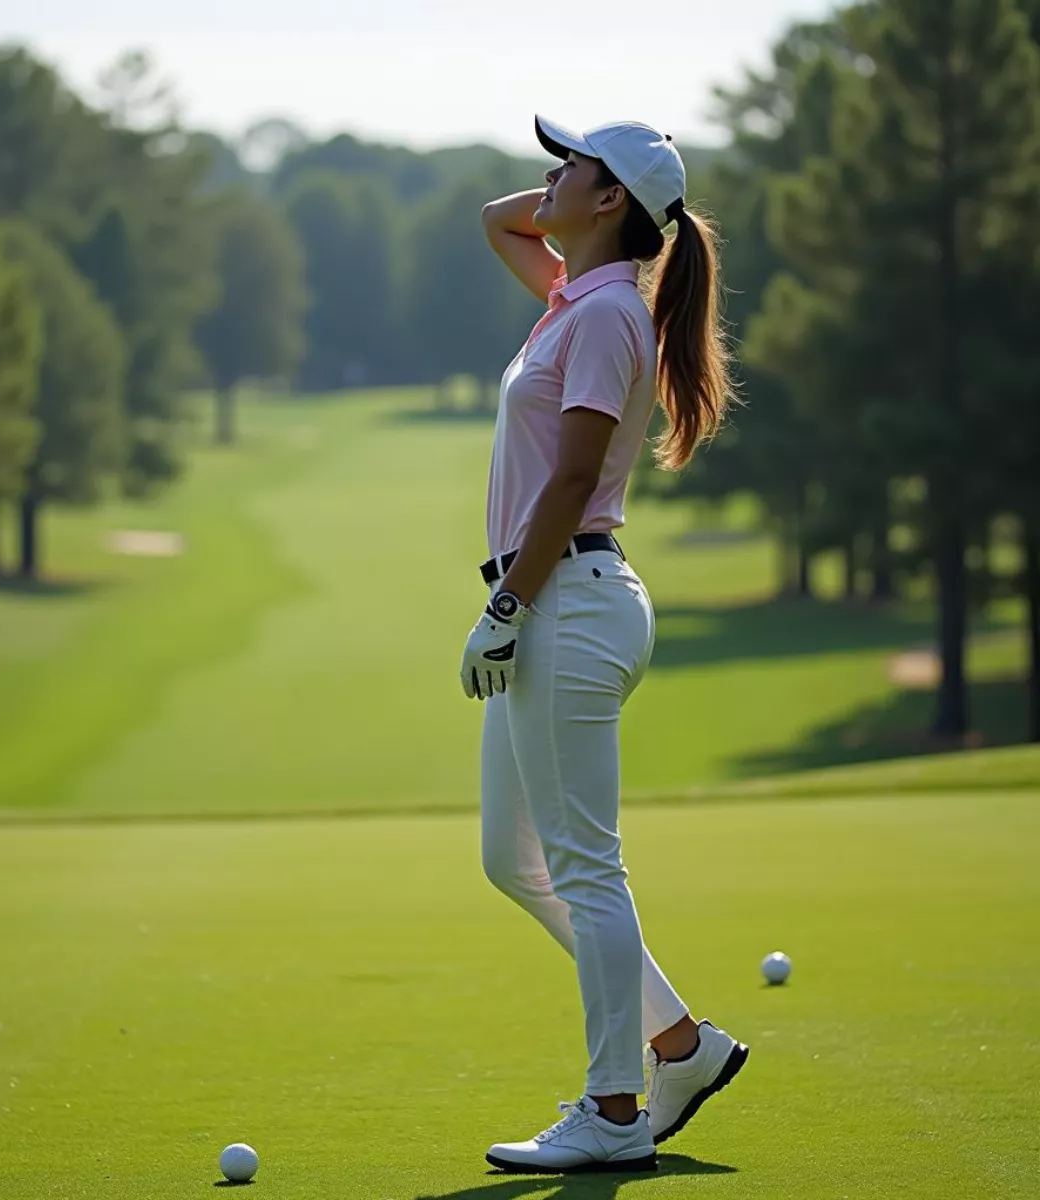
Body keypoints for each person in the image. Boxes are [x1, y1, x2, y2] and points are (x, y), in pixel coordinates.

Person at [460, 116, 747, 1175]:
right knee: (514, 859)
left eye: (569, 164)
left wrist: (506, 609)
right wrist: (572, 205)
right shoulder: (576, 300)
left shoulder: (604, 317)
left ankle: (615, 1111)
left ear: (612, 198)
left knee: (583, 865)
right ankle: (681, 1044)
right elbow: (499, 220)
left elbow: (572, 482)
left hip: (564, 601)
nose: (547, 175)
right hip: (555, 598)